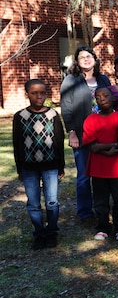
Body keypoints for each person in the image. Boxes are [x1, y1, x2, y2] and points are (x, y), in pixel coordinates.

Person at [60, 45, 111, 221]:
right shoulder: (70, 80)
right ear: (77, 61)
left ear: (95, 59)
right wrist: (72, 133)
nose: (86, 59)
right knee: (83, 176)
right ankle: (85, 212)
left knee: (102, 175)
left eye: (89, 56)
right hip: (82, 136)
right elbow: (66, 108)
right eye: (82, 57)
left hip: (104, 135)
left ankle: (102, 208)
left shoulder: (104, 80)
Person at [13, 79, 65, 249]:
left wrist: (61, 166)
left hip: (50, 166)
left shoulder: (52, 115)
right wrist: (20, 168)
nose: (39, 96)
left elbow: (58, 141)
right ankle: (39, 233)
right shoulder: (20, 117)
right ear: (27, 94)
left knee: (52, 201)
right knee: (33, 203)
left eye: (42, 93)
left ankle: (51, 233)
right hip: (29, 168)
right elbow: (17, 144)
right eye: (34, 93)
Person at [82, 88, 118, 241]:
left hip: (117, 167)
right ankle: (103, 227)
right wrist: (110, 147)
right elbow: (92, 145)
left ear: (113, 98)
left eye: (105, 95)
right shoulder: (91, 119)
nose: (102, 99)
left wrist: (108, 147)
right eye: (98, 97)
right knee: (100, 200)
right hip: (99, 167)